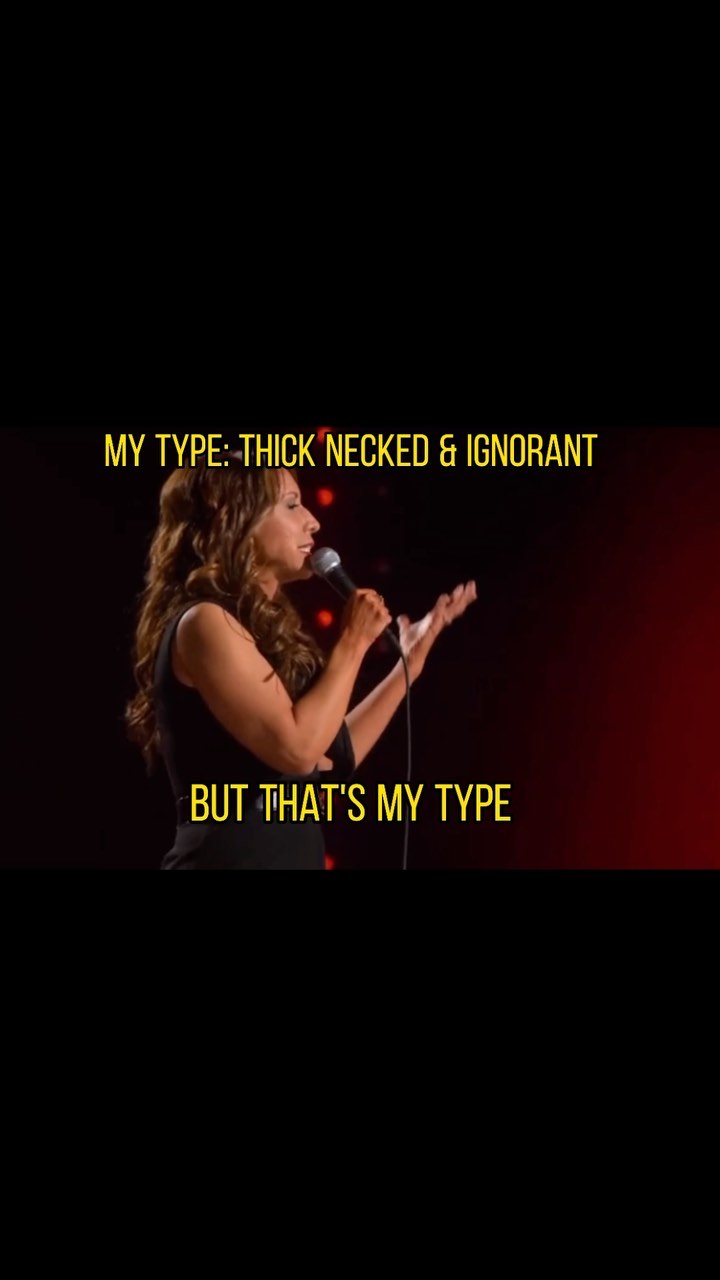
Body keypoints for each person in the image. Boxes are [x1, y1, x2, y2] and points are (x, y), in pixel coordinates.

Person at [126, 456, 477, 869]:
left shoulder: (253, 630)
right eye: (291, 505)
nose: (313, 521)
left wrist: (409, 664)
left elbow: (331, 757)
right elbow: (297, 750)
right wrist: (353, 641)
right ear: (233, 518)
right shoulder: (204, 622)